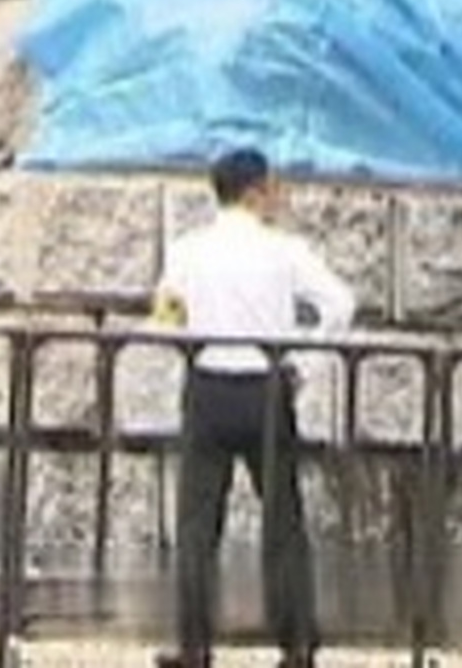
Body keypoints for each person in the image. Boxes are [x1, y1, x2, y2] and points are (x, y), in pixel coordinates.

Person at [150, 149, 358, 668]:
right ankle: (296, 643)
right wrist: (303, 361)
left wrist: (190, 346)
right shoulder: (284, 250)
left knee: (198, 523)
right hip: (265, 386)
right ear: (253, 192)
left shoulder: (188, 250)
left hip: (208, 385)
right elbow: (340, 304)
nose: (278, 197)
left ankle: (195, 645)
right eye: (272, 188)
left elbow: (165, 315)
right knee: (283, 519)